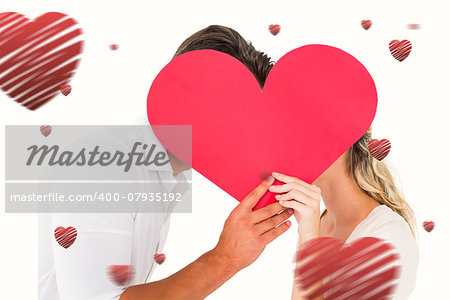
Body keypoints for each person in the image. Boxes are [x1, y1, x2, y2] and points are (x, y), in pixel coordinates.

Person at [38, 25, 293, 300]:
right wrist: (225, 258)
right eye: (232, 108)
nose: (245, 131)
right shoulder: (102, 165)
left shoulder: (168, 174)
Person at [269, 127, 419, 299]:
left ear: (340, 142)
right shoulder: (319, 222)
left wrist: (309, 240)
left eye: (302, 137)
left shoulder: (389, 236)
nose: (288, 149)